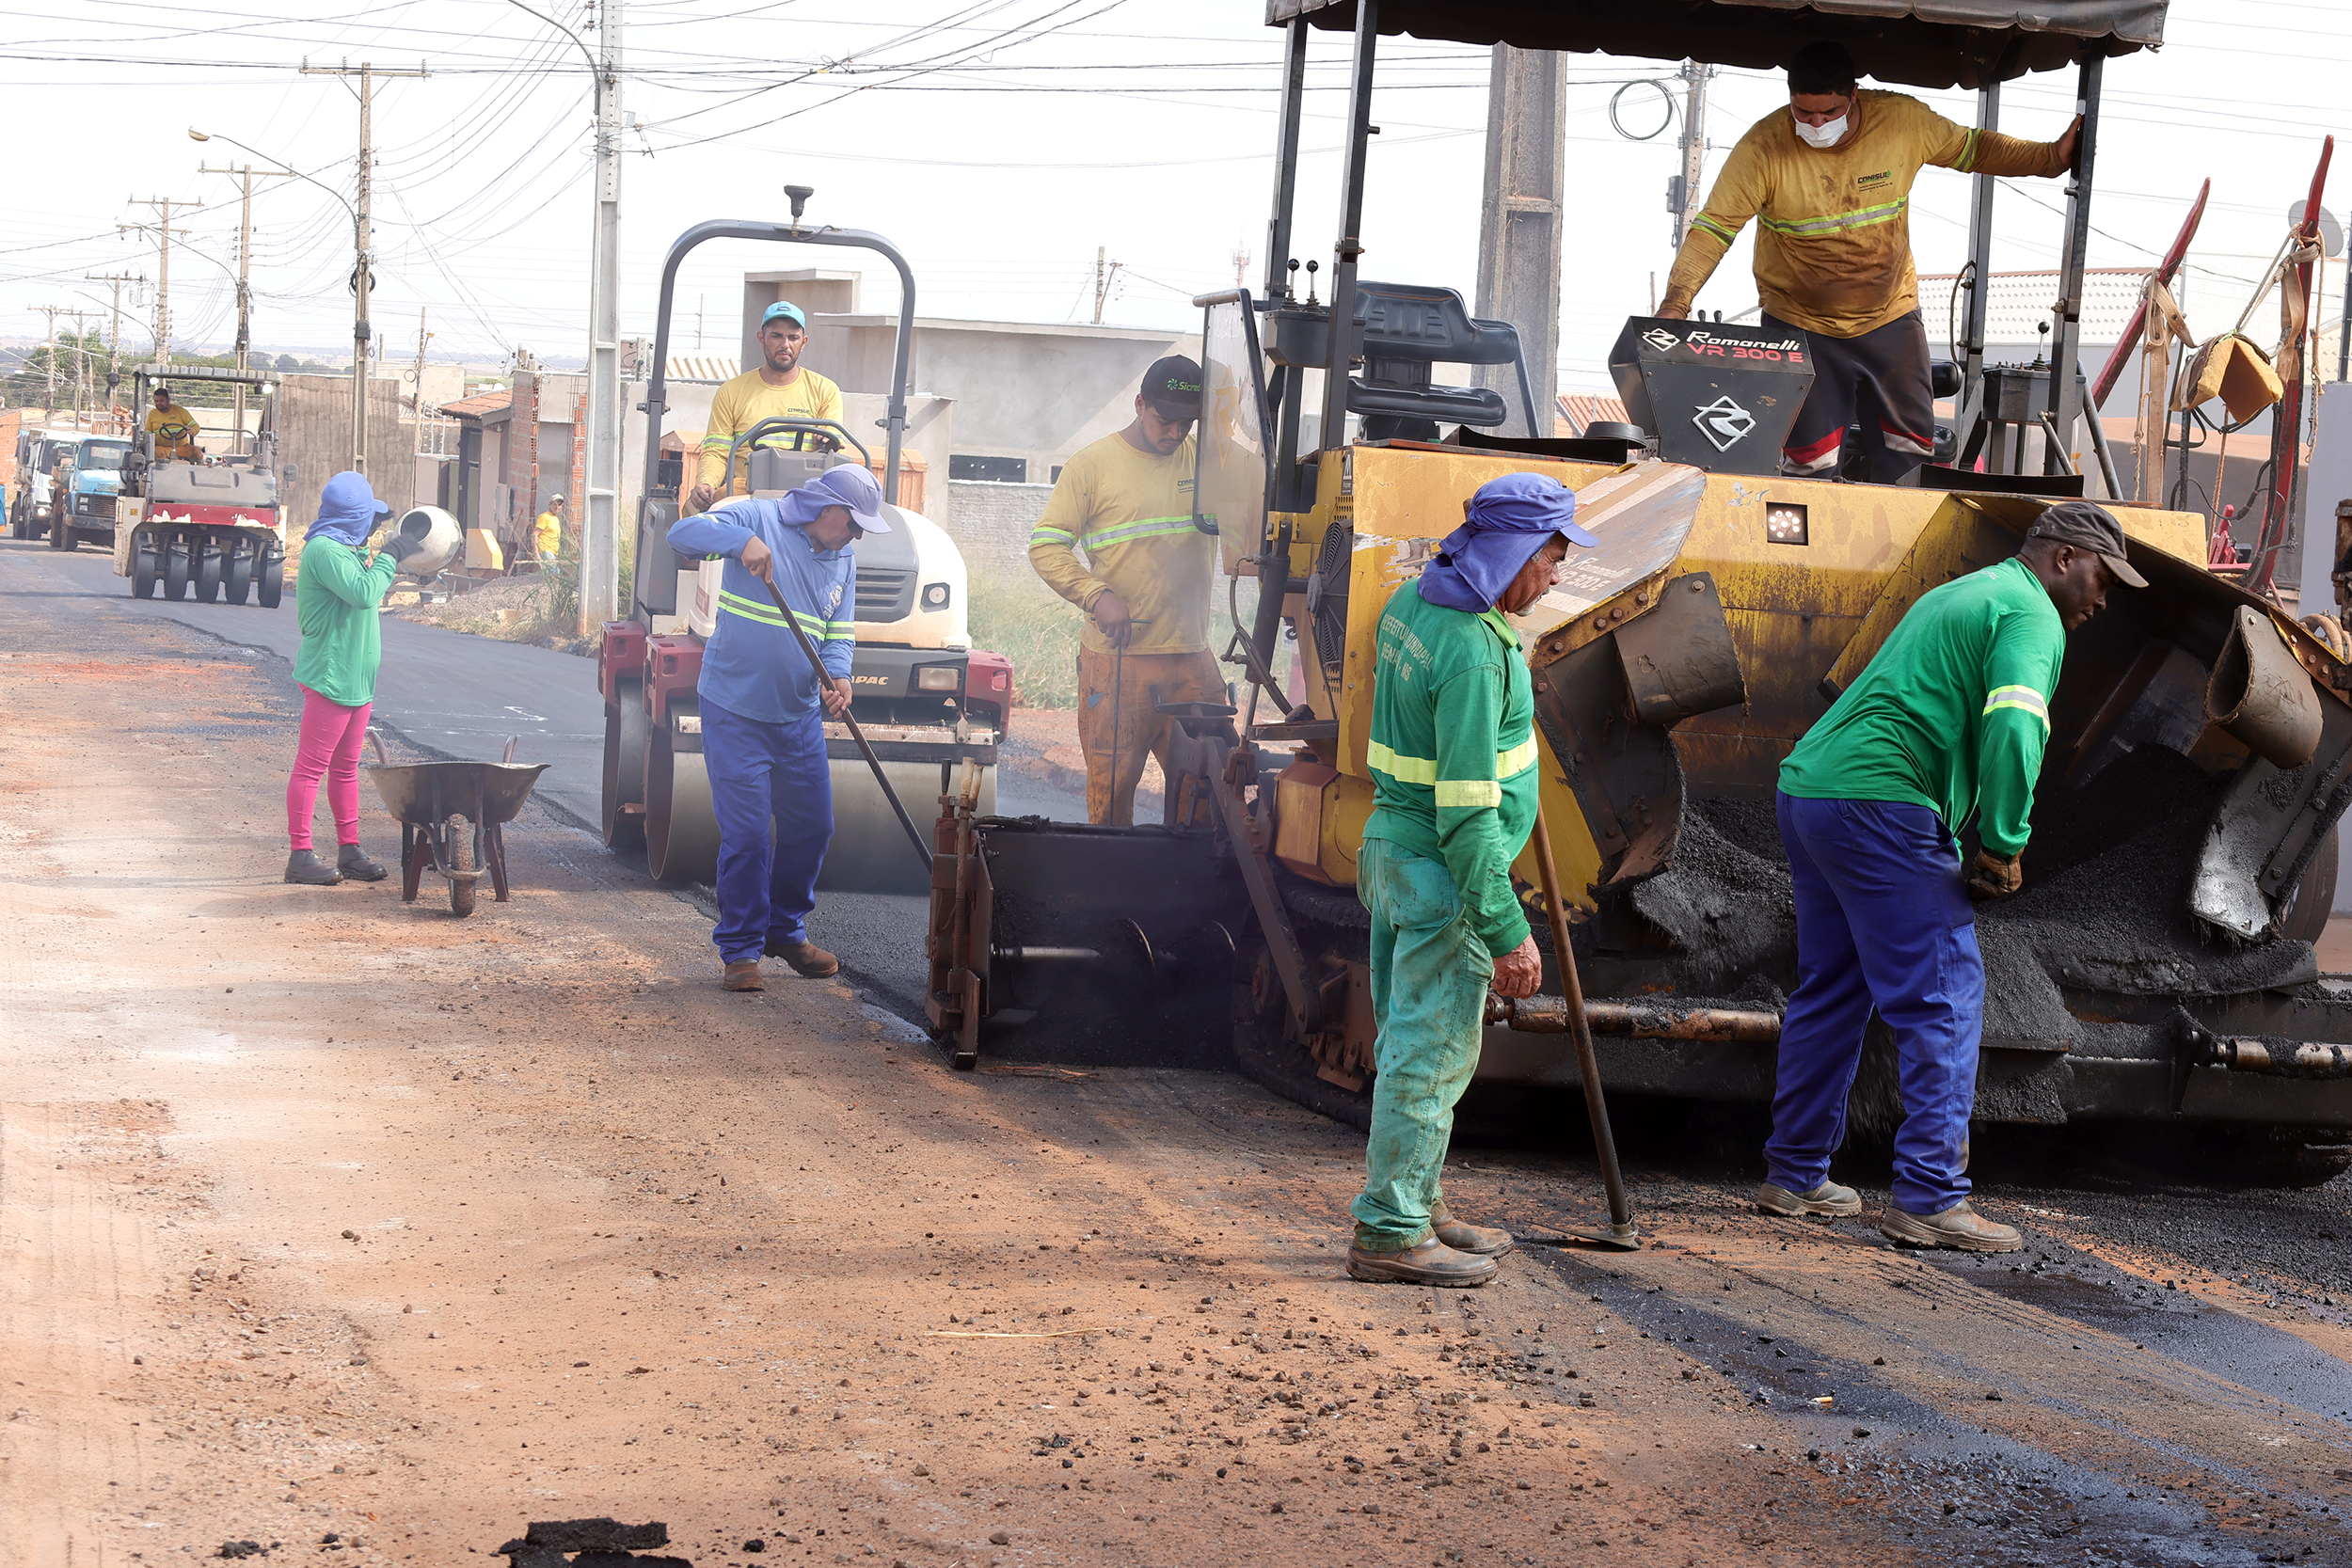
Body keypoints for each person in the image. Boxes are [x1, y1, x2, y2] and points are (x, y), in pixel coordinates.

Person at [1765, 501, 2143, 1251]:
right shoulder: (2030, 613)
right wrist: (2004, 843)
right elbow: (2015, 722)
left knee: (1835, 987)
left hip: (1812, 792)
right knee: (1945, 992)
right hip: (1882, 803)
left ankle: (1796, 1172)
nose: (2104, 600)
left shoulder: (1966, 592)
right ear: (2064, 557)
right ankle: (1932, 1196)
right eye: (2103, 577)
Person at [1345, 472, 1597, 1288]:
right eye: (1553, 555)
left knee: (1413, 1042)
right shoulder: (1473, 652)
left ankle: (1421, 1202)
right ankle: (1389, 1232)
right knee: (1431, 1052)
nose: (1558, 574)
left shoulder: (1414, 604)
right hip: (1442, 876)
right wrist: (1506, 927)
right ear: (1515, 549)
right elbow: (1465, 815)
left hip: (1389, 850)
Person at [1659, 40, 2081, 484]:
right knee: (1808, 466)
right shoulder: (1762, 148)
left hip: (1891, 322)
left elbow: (1974, 149)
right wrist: (1676, 303)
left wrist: (2050, 158)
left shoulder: (1902, 122)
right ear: (1790, 100)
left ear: (1854, 95)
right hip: (1799, 327)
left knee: (1912, 458)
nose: (1817, 124)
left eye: (1830, 112)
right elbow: (1714, 229)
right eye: (1803, 114)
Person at [666, 465, 881, 991]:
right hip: (734, 710)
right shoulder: (756, 515)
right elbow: (682, 534)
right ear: (826, 509)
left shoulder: (844, 558)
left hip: (799, 714)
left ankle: (785, 931)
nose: (855, 536)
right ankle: (740, 951)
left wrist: (839, 675)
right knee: (747, 835)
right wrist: (740, 542)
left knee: (813, 828)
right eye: (853, 524)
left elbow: (838, 630)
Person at [1028, 355, 1219, 825]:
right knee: (1112, 796)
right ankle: (1112, 887)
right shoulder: (1091, 467)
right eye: (1165, 421)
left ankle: (1189, 890)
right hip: (1118, 662)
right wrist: (1096, 595)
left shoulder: (1209, 462)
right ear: (1139, 404)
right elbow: (1045, 546)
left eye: (1186, 423)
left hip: (1191, 656)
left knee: (1211, 791)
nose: (1175, 434)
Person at [284, 471, 425, 886]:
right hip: (331, 675)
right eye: (369, 518)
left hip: (356, 678)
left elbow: (365, 578)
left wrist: (380, 549)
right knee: (312, 768)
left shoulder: (346, 549)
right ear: (352, 518)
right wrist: (389, 554)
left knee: (345, 769)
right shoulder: (325, 551)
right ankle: (300, 854)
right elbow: (364, 592)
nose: (373, 527)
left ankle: (350, 849)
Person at [685, 301, 845, 515]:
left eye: (793, 337)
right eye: (776, 336)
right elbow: (717, 451)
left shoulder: (824, 390)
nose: (785, 344)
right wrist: (706, 484)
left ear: (803, 342)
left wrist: (826, 442)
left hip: (803, 493)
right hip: (745, 492)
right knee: (694, 516)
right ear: (762, 339)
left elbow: (832, 443)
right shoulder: (732, 391)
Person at [147, 387, 202, 463]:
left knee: (197, 453)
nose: (158, 403)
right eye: (156, 401)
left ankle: (194, 471)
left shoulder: (180, 411)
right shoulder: (152, 414)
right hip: (162, 448)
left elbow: (196, 426)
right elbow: (147, 432)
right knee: (155, 453)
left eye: (161, 400)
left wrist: (192, 430)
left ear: (168, 400)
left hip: (181, 447)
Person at [534, 494, 567, 566]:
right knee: (554, 573)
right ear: (550, 504)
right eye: (555, 504)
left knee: (551, 575)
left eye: (559, 505)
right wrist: (536, 552)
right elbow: (535, 534)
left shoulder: (555, 518)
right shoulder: (544, 517)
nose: (557, 507)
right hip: (545, 550)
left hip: (553, 552)